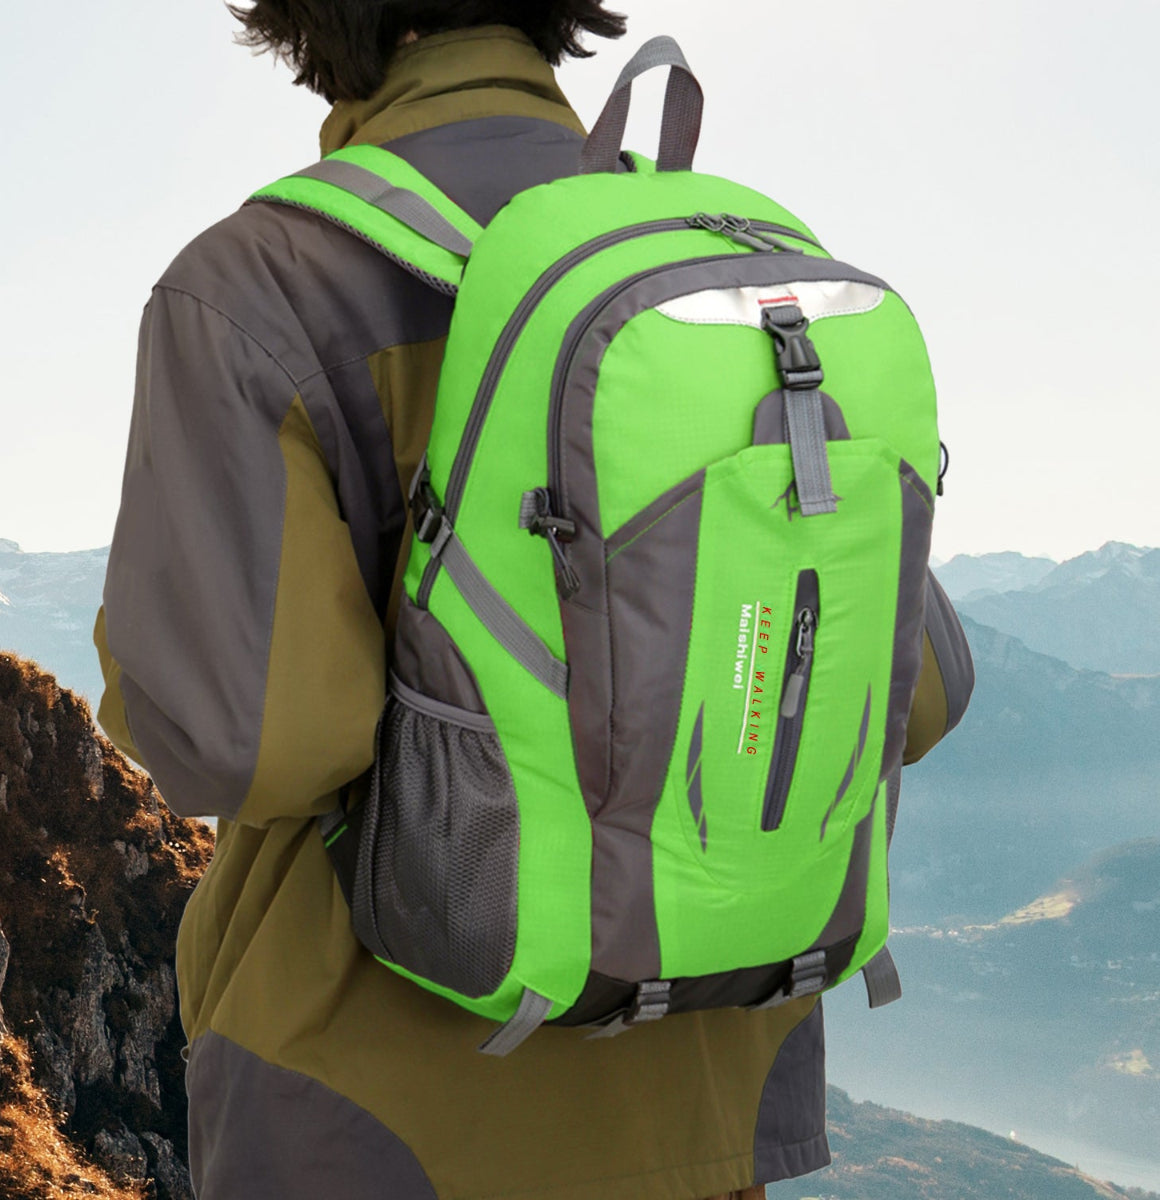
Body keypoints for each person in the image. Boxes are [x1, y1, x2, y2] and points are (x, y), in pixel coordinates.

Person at [94, 4, 971, 1198]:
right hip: (701, 1091)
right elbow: (917, 694)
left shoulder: (258, 290)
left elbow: (253, 744)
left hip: (376, 1118)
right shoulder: (743, 269)